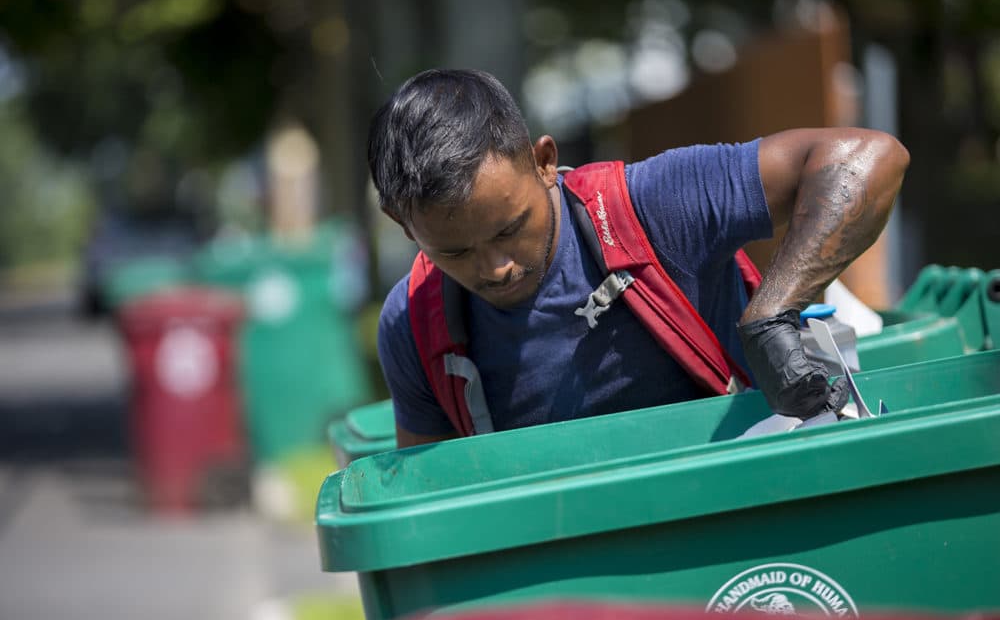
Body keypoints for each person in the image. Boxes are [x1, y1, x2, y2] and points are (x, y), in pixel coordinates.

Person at [369, 68, 909, 449]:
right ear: (403, 226)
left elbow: (870, 157)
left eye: (511, 230)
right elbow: (429, 508)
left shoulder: (655, 207)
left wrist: (774, 310)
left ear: (544, 162)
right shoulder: (415, 324)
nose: (496, 268)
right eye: (455, 251)